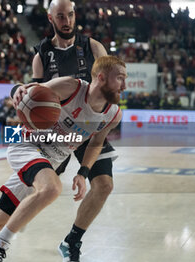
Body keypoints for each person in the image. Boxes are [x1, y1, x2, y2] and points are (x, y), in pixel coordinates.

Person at [0, 55, 127, 262]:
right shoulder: (70, 87)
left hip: (50, 161)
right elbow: (27, 93)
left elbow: (95, 143)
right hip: (26, 144)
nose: (125, 85)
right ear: (101, 78)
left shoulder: (113, 114)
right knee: (52, 188)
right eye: (120, 78)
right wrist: (17, 91)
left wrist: (83, 173)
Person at [32, 1, 119, 260]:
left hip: (90, 129)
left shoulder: (93, 47)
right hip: (58, 131)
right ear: (51, 18)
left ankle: (72, 241)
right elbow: (37, 99)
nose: (67, 21)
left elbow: (109, 83)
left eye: (70, 15)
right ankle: (2, 229)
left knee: (104, 185)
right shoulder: (41, 54)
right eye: (60, 16)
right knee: (35, 188)